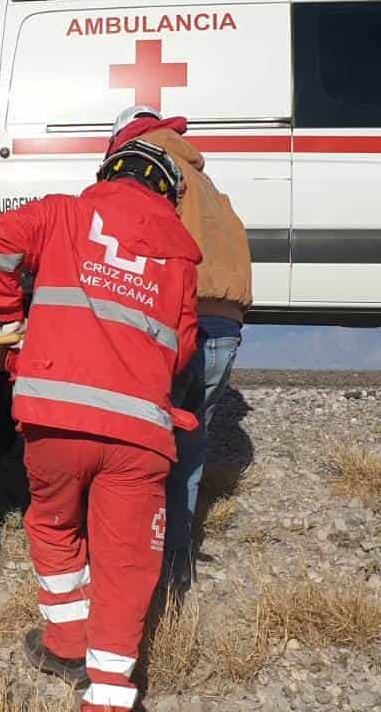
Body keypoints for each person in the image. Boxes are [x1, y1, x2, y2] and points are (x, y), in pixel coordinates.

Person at [0, 124, 203, 712]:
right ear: (168, 193)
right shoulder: (180, 254)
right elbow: (182, 348)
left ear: (109, 172)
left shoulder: (62, 214)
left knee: (54, 526)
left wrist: (11, 318)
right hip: (139, 431)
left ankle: (64, 642)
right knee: (128, 560)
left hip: (55, 414)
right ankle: (107, 693)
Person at [108, 106, 252, 607]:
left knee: (142, 445)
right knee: (189, 444)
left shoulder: (145, 163)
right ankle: (175, 568)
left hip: (179, 318)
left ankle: (132, 574)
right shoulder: (204, 180)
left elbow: (130, 239)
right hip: (226, 322)